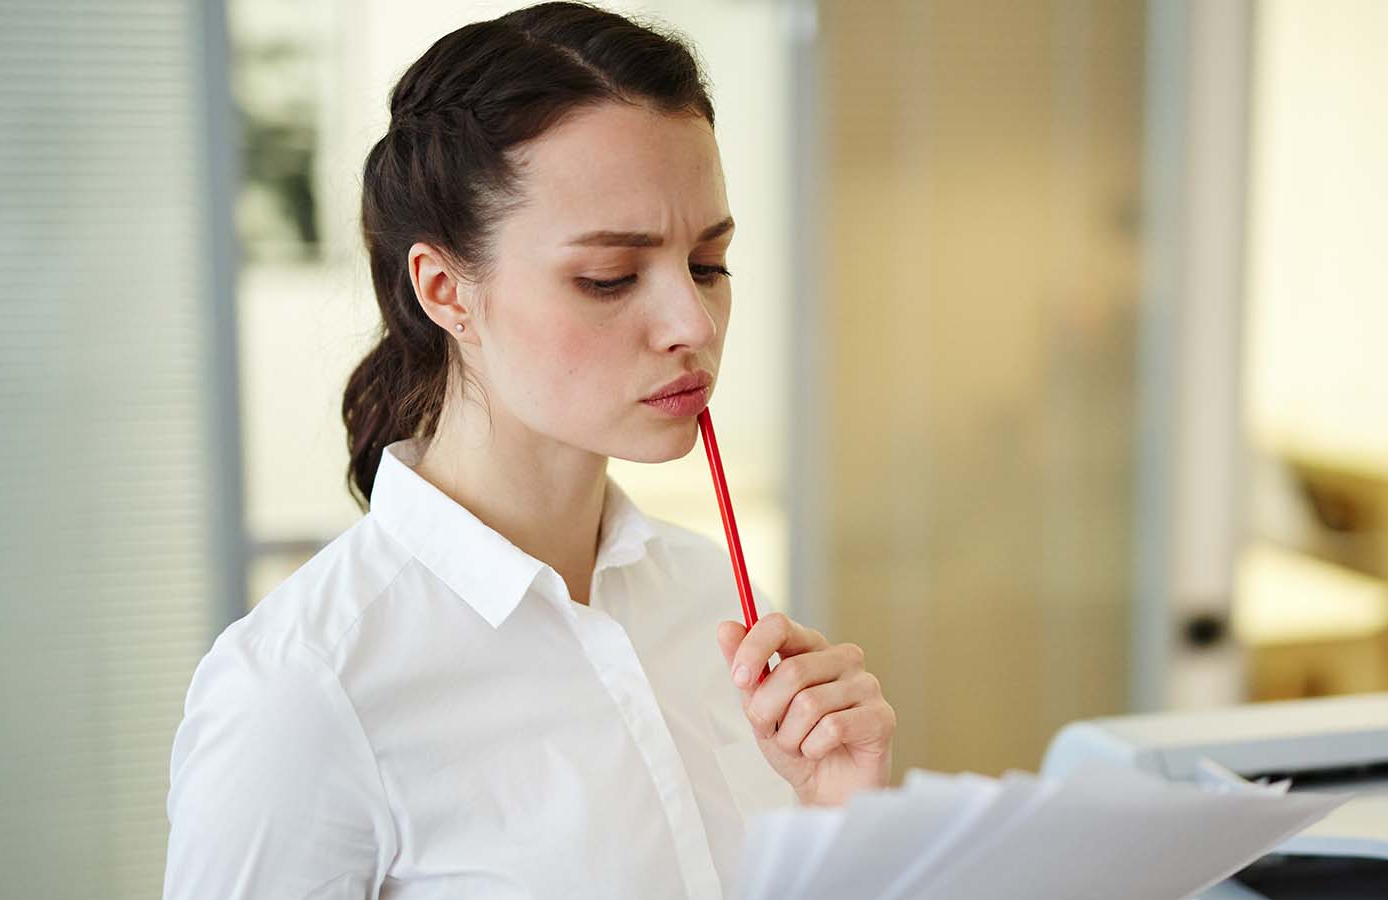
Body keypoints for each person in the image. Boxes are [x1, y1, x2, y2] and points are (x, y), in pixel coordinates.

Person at [161, 4, 895, 897]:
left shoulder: (714, 606)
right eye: (609, 278)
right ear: (445, 289)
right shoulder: (302, 695)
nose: (693, 323)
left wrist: (837, 819)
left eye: (708, 264)